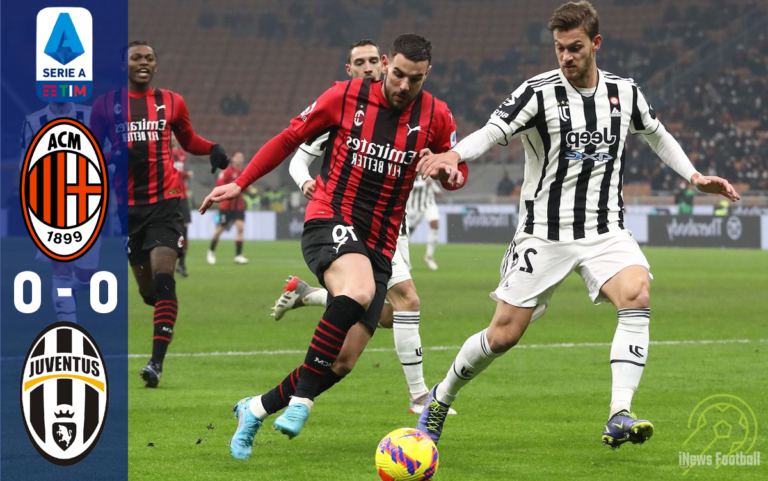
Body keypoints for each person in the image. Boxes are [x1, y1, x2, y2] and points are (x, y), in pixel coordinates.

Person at [416, 1, 740, 449]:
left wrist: (694, 176)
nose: (566, 57)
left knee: (637, 293)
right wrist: (454, 154)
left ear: (595, 43)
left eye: (575, 48)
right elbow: (492, 131)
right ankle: (441, 397)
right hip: (543, 233)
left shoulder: (624, 92)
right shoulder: (537, 93)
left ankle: (619, 413)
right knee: (504, 334)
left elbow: (656, 134)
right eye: (559, 48)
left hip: (605, 229)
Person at [200, 33, 467, 459]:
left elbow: (457, 167)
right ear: (385, 64)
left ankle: (255, 408)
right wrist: (241, 182)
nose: (403, 86)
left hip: (381, 241)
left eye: (414, 79)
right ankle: (303, 400)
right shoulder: (343, 97)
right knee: (358, 291)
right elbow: (288, 140)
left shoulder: (436, 114)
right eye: (398, 74)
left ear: (427, 74)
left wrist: (448, 172)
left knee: (342, 360)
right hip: (331, 217)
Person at [272, 39, 458, 415]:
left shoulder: (419, 114)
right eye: (361, 62)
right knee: (406, 301)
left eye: (373, 60)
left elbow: (452, 163)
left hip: (390, 228)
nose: (369, 67)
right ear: (350, 70)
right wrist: (305, 181)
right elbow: (297, 154)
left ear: (383, 63)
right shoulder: (342, 106)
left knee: (383, 315)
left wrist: (446, 167)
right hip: (348, 224)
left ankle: (308, 298)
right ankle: (419, 395)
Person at [90, 40, 230, 388]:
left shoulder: (172, 101)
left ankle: (156, 364)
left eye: (149, 58)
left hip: (166, 203)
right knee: (149, 292)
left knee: (165, 278)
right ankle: (158, 309)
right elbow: (89, 152)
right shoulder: (105, 106)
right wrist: (114, 158)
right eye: (136, 57)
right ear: (123, 65)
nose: (143, 62)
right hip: (128, 208)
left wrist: (212, 148)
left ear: (155, 66)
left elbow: (189, 140)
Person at [20, 101, 99, 323]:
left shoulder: (90, 116)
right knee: (61, 270)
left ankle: (69, 290)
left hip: (87, 202)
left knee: (86, 278)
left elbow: (105, 152)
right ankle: (68, 327)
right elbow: (25, 164)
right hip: (51, 205)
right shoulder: (33, 122)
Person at [207, 152, 248, 264]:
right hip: (227, 206)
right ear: (233, 159)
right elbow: (219, 185)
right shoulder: (226, 171)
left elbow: (246, 186)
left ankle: (238, 255)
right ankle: (211, 251)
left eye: (242, 157)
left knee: (240, 227)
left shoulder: (243, 172)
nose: (240, 159)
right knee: (220, 229)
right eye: (238, 157)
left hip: (239, 205)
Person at [407, 175, 442, 270]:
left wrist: (437, 190)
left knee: (435, 226)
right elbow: (408, 184)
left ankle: (429, 256)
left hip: (429, 204)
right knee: (408, 232)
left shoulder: (429, 170)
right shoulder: (412, 171)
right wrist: (423, 183)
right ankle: (405, 259)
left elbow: (431, 182)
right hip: (415, 206)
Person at [172, 137, 193, 277]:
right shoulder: (164, 152)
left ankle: (182, 264)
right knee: (170, 230)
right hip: (170, 195)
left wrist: (185, 174)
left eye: (175, 137)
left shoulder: (182, 154)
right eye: (171, 136)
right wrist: (186, 174)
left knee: (184, 230)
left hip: (182, 196)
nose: (173, 139)